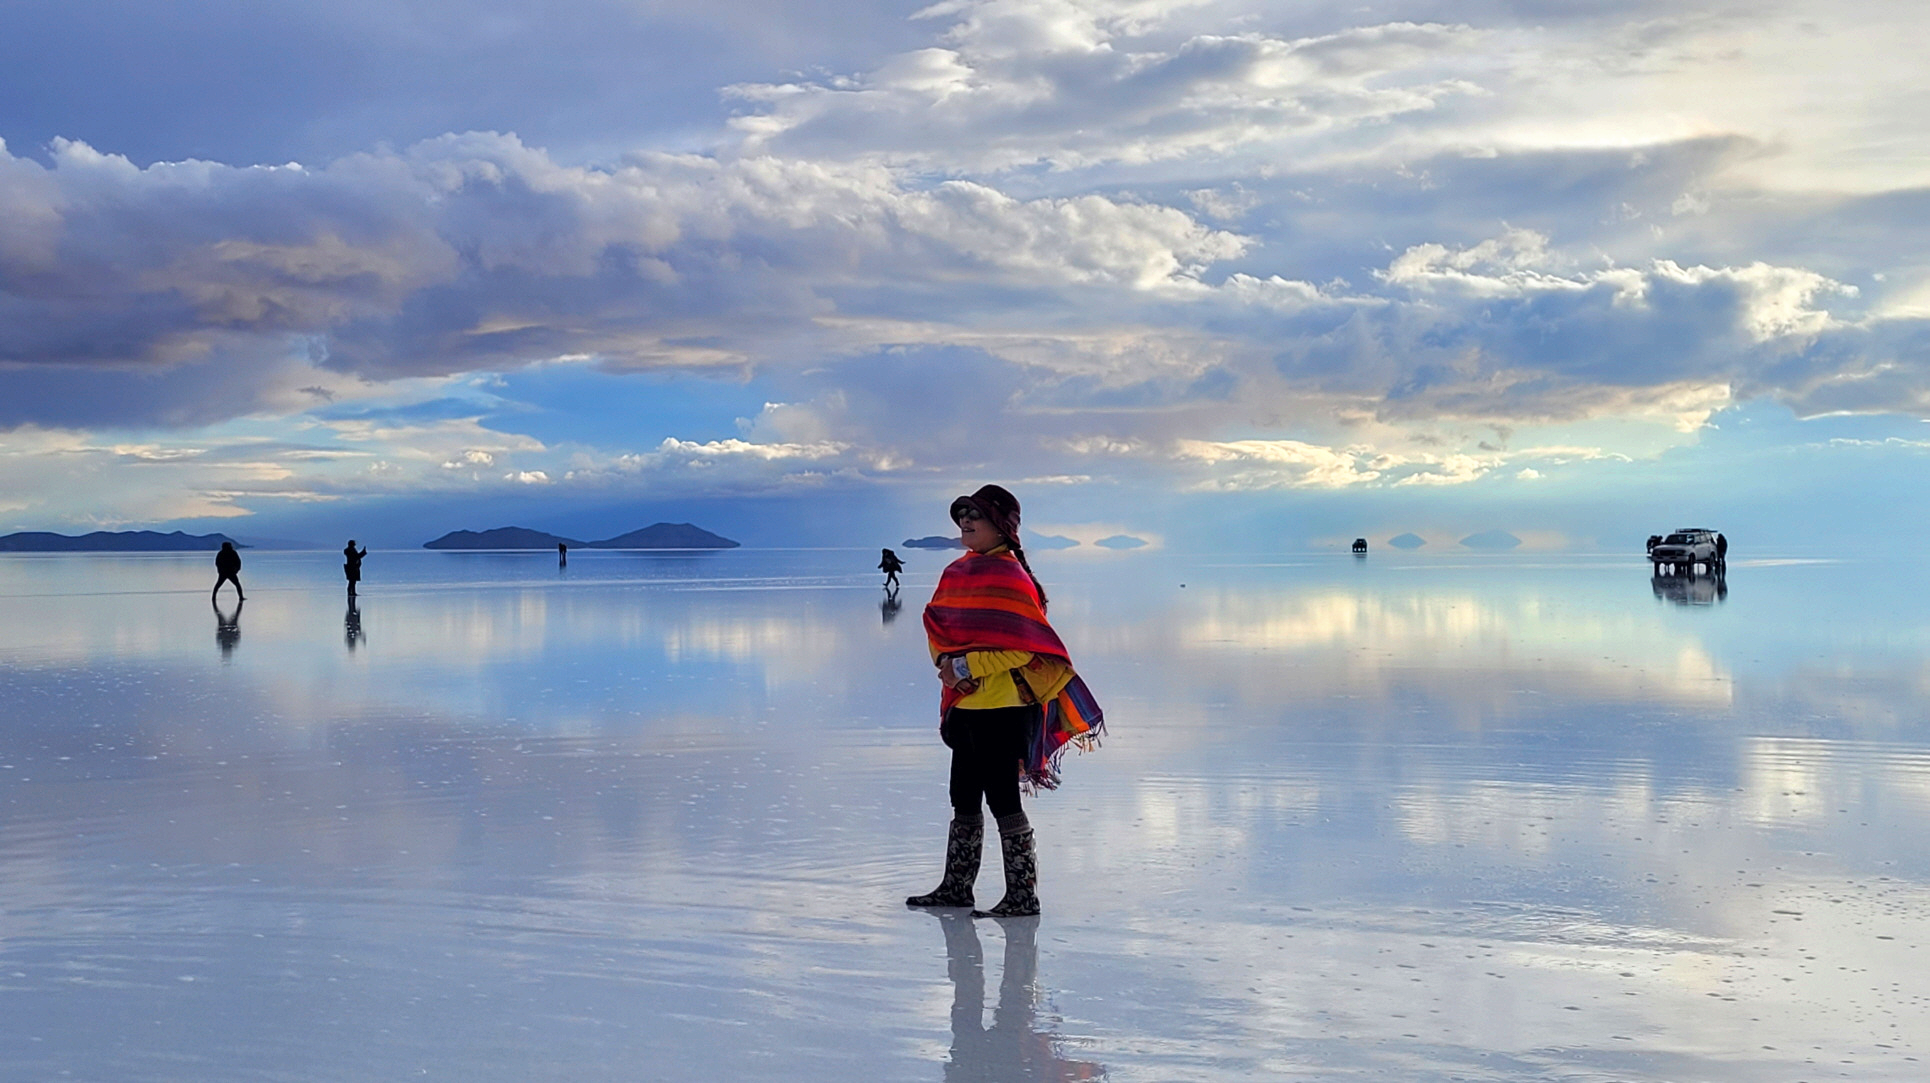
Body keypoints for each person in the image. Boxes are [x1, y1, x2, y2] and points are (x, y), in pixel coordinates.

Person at [907, 485, 1104, 918]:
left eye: (974, 514)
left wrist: (965, 667)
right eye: (962, 514)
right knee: (963, 796)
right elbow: (937, 627)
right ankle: (957, 888)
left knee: (1002, 799)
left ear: (1001, 526)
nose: (965, 521)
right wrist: (945, 664)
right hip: (964, 706)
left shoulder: (1011, 578)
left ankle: (1022, 895)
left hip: (1004, 707)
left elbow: (1024, 649)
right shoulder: (955, 573)